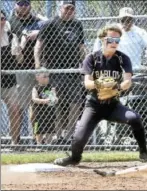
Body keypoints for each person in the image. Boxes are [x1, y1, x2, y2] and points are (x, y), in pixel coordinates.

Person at [53, 23, 147, 166]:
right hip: (94, 105)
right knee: (79, 136)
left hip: (113, 105)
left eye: (117, 40)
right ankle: (74, 158)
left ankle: (144, 152)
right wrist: (101, 85)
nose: (114, 43)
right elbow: (87, 83)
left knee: (134, 118)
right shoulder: (92, 58)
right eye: (110, 40)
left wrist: (116, 88)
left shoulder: (123, 58)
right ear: (102, 40)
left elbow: (128, 82)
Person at [93, 7, 147, 145]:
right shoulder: (112, 31)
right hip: (114, 73)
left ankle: (134, 132)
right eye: (123, 19)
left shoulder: (139, 31)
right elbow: (97, 48)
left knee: (137, 102)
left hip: (134, 75)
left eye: (129, 19)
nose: (126, 22)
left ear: (133, 19)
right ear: (119, 20)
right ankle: (110, 135)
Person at [34, 0, 86, 143]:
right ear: (60, 8)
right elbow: (38, 45)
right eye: (66, 8)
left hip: (72, 70)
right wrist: (38, 65)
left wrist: (86, 63)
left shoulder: (77, 24)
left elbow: (81, 47)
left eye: (71, 9)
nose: (69, 11)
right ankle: (56, 136)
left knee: (76, 103)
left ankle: (68, 136)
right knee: (55, 103)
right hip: (54, 71)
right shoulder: (50, 24)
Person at [9, 0, 46, 143]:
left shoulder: (38, 20)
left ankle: (37, 140)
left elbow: (53, 25)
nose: (24, 6)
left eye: (26, 3)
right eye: (21, 3)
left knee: (37, 107)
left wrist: (39, 31)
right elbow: (14, 32)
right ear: (15, 5)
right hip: (20, 68)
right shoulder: (10, 20)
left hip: (39, 68)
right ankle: (16, 140)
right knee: (18, 106)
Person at [1, 10, 23, 145]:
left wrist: (19, 52)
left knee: (15, 110)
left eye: (3, 18)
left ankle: (15, 142)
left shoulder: (11, 36)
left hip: (9, 80)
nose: (1, 21)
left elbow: (19, 60)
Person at [31, 68, 58, 145]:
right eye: (44, 76)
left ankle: (48, 144)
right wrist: (44, 101)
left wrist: (55, 99)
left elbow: (54, 96)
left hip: (49, 113)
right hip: (39, 114)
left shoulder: (51, 87)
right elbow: (34, 99)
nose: (47, 78)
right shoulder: (35, 88)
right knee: (38, 130)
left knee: (50, 129)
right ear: (37, 78)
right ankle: (39, 144)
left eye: (48, 76)